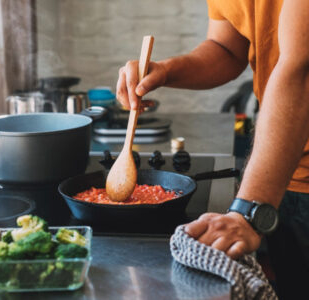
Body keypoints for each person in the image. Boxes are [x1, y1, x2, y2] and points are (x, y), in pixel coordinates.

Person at [116, 1, 309, 299]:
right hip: (285, 173)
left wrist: (247, 212)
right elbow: (226, 48)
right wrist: (166, 71)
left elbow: (301, 69)